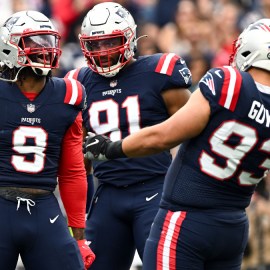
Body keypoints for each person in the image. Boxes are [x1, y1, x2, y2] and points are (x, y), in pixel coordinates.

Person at [84, 18, 270, 270]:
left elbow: (163, 135)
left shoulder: (230, 83)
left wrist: (111, 148)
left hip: (188, 219)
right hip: (234, 224)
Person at [65, 2, 192, 269]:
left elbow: (192, 127)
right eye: (95, 44)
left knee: (163, 265)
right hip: (108, 194)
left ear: (130, 37)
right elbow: (80, 159)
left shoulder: (160, 70)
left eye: (110, 42)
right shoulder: (78, 81)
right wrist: (80, 212)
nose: (102, 51)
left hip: (155, 189)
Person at [0, 10, 95, 270]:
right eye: (33, 42)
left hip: (44, 209)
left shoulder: (69, 94)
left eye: (47, 41)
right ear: (8, 47)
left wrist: (80, 237)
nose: (43, 49)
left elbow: (72, 170)